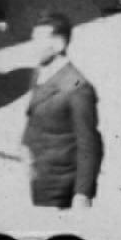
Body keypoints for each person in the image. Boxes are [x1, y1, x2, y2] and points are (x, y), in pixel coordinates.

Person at [21, 11, 103, 210]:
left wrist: (82, 194)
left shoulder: (77, 88)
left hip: (60, 184)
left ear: (59, 45)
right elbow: (35, 114)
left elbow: (89, 145)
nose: (32, 46)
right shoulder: (41, 72)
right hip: (40, 172)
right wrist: (25, 145)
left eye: (39, 40)